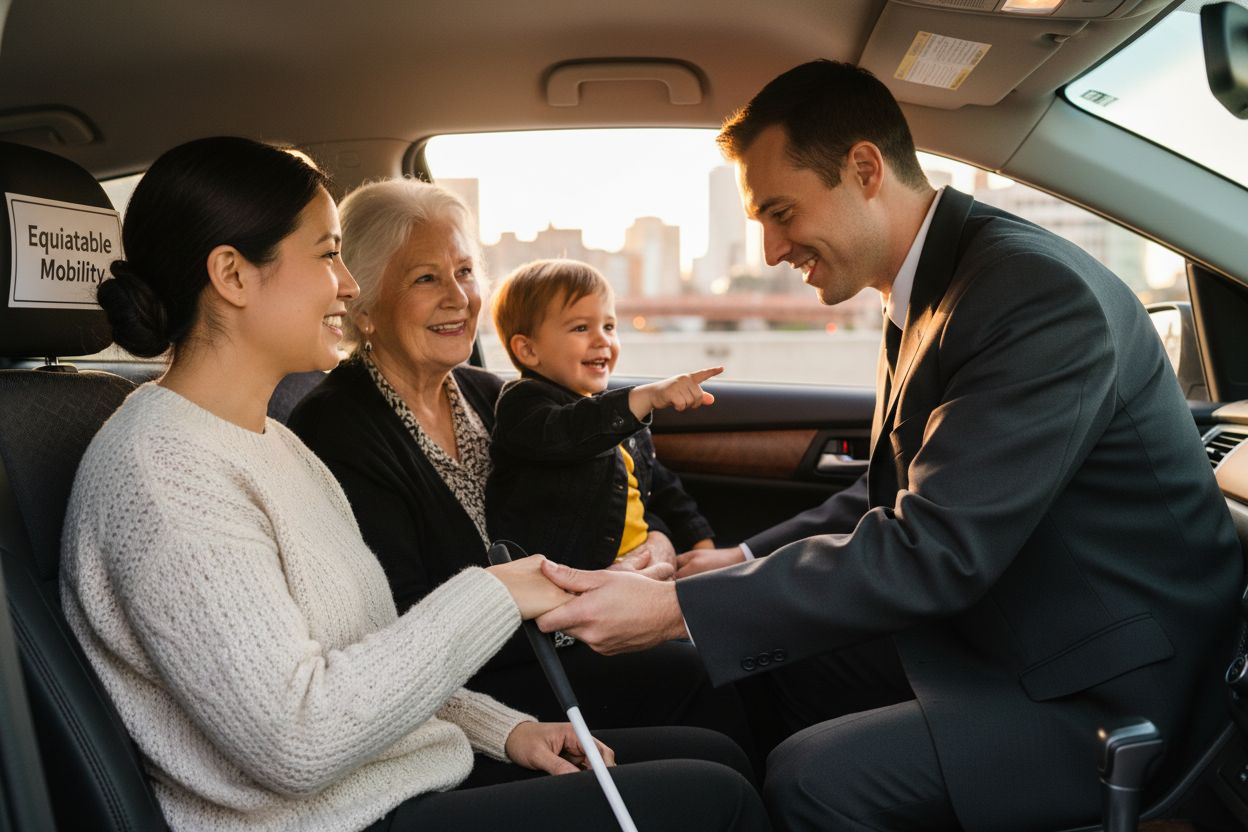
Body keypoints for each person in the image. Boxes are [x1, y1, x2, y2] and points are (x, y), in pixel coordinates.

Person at [532, 61, 1244, 831]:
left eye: (780, 212)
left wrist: (676, 607)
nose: (771, 249)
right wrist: (735, 562)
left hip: (1109, 685)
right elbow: (901, 492)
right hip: (1007, 627)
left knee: (815, 779)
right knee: (758, 671)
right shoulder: (931, 288)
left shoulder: (1029, 295)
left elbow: (935, 548)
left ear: (864, 170)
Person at [61, 136, 770, 832]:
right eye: (327, 254)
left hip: (396, 772)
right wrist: (495, 592)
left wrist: (507, 729)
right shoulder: (162, 470)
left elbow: (366, 649)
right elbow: (296, 741)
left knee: (715, 756)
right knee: (717, 799)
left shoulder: (273, 446)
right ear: (234, 275)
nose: (346, 284)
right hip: (335, 815)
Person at [285, 180, 755, 751]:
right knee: (709, 705)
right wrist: (590, 593)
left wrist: (653, 541)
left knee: (731, 668)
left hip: (561, 643)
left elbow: (606, 478)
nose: (458, 296)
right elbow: (399, 620)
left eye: (463, 272)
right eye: (425, 278)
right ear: (364, 306)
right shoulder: (336, 428)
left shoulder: (494, 394)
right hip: (474, 687)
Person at [487, 258, 720, 572]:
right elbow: (569, 434)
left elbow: (663, 488)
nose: (603, 340)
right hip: (569, 577)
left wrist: (701, 544)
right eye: (581, 328)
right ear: (529, 351)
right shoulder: (523, 404)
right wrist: (643, 397)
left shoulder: (616, 415)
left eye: (609, 326)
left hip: (635, 566)